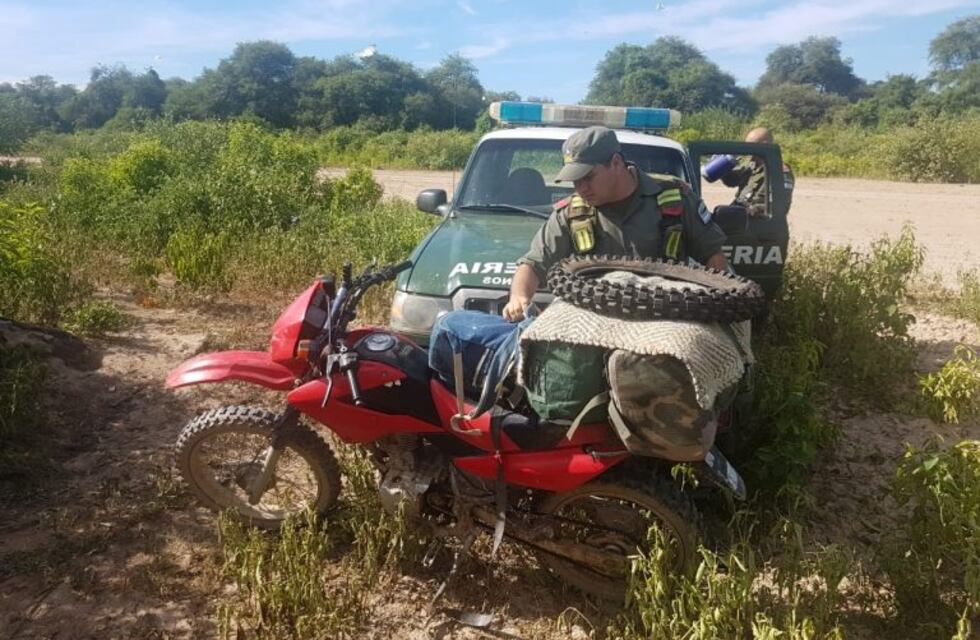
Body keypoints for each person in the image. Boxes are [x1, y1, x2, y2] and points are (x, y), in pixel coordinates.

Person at [502, 126, 728, 321]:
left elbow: (713, 257)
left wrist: (716, 306)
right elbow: (532, 264)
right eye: (575, 180)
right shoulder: (571, 213)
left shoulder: (675, 199)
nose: (581, 188)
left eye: (588, 177)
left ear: (617, 163)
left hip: (664, 316)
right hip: (593, 319)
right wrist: (519, 297)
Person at [721, 127, 795, 218]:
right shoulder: (752, 165)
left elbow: (778, 207)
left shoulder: (779, 171)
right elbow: (732, 180)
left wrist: (749, 211)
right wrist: (722, 167)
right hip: (740, 218)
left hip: (758, 224)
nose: (748, 151)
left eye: (751, 147)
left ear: (764, 146)